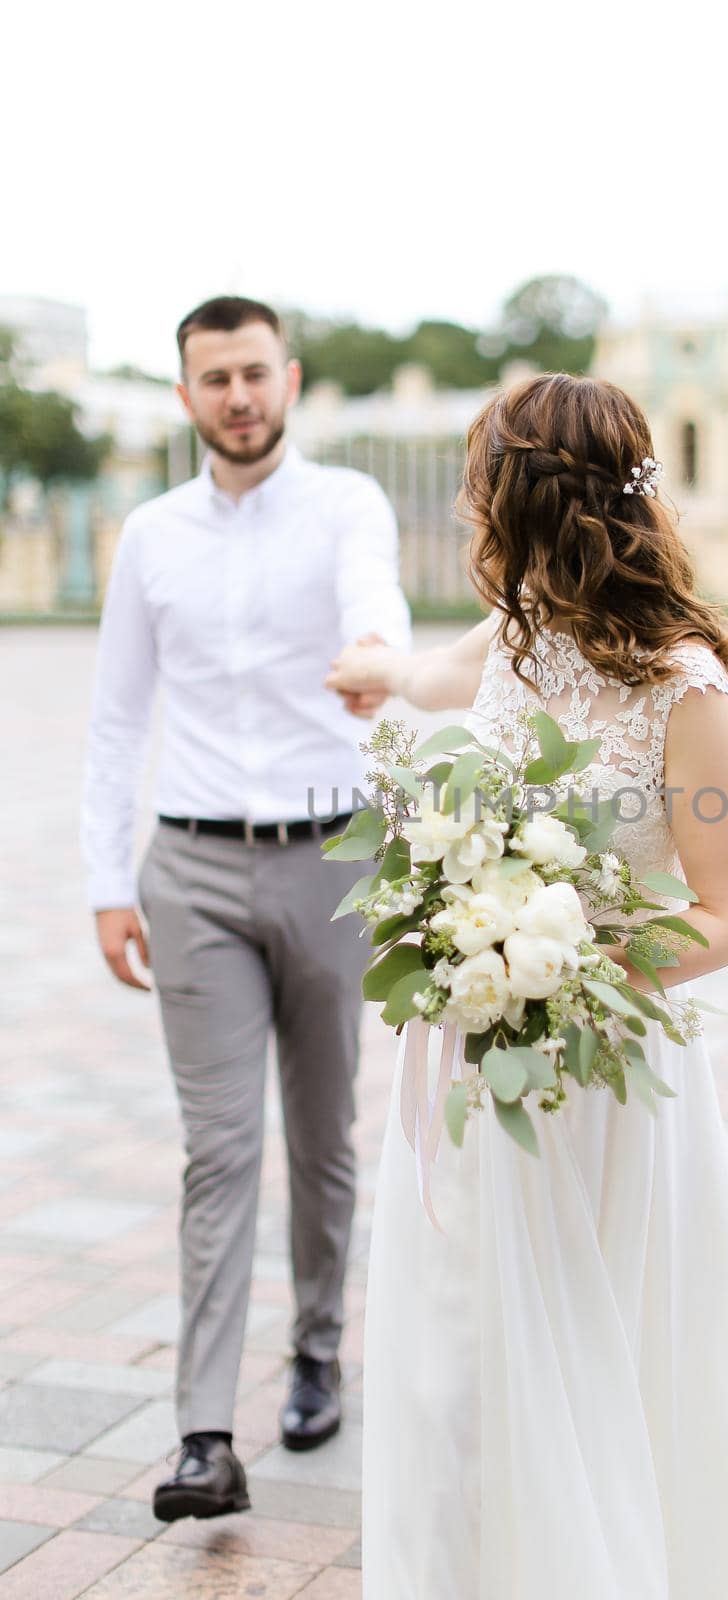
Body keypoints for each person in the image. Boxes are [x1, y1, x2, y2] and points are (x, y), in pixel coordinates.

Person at [325, 373, 728, 1597]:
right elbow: (447, 676)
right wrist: (375, 667)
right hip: (471, 1076)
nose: (463, 509)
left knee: (587, 1357)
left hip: (599, 1075)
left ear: (529, 498)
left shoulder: (685, 690)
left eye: (477, 484)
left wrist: (551, 966)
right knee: (457, 1364)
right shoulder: (519, 630)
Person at [81, 295, 412, 1523]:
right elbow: (118, 719)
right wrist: (108, 881)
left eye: (254, 372)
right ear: (184, 395)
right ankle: (204, 1437)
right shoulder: (152, 535)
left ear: (291, 379)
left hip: (332, 862)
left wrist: (375, 652)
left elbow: (373, 597)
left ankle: (318, 1347)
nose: (237, 395)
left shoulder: (345, 507)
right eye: (213, 377)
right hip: (195, 872)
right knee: (216, 1149)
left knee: (321, 1137)